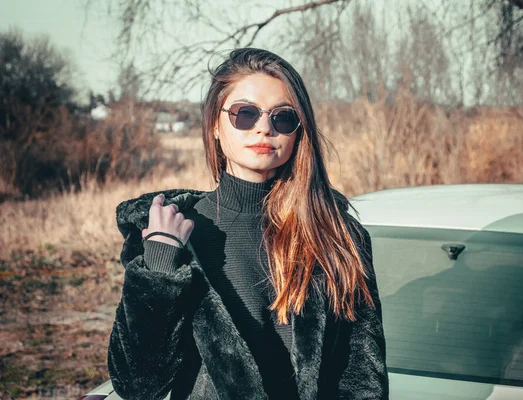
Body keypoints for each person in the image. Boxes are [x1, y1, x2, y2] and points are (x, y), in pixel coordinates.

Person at [107, 48, 388, 400]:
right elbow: (138, 384)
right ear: (215, 125)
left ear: (299, 131)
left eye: (283, 117)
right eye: (245, 113)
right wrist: (160, 265)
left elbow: (361, 379)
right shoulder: (173, 232)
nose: (264, 128)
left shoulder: (336, 235)